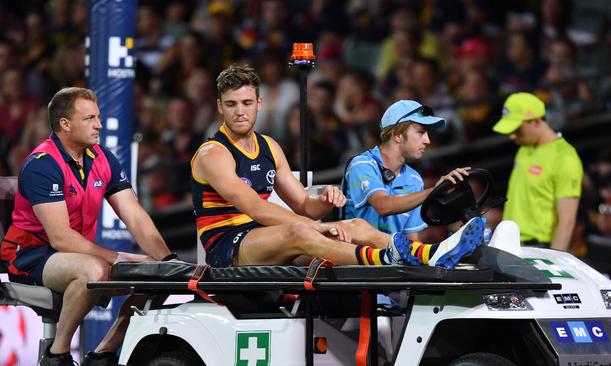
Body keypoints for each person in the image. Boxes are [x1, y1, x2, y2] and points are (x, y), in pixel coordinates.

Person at [190, 64, 485, 270]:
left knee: (356, 226)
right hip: (229, 248)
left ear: (259, 102)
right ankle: (386, 259)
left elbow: (303, 204)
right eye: (231, 104)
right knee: (301, 233)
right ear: (219, 106)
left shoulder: (269, 146)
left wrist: (324, 202)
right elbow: (256, 208)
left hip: (267, 239)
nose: (240, 111)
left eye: (246, 102)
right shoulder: (212, 153)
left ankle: (431, 254)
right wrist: (319, 227)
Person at [0, 87, 175, 366]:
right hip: (30, 256)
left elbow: (133, 214)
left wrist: (167, 260)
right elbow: (61, 239)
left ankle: (103, 353)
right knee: (93, 269)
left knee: (160, 274)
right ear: (65, 125)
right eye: (90, 118)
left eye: (99, 117)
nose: (99, 125)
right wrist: (119, 257)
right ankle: (56, 355)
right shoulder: (42, 165)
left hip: (74, 254)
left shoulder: (102, 157)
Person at [341, 99, 471, 241]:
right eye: (420, 132)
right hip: (356, 260)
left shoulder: (414, 179)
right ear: (397, 135)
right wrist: (434, 190)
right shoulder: (361, 164)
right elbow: (383, 206)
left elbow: (411, 240)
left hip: (391, 259)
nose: (427, 140)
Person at [492, 92, 583, 251]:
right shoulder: (524, 149)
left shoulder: (565, 157)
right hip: (510, 245)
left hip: (539, 250)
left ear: (535, 121)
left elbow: (567, 221)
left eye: (517, 129)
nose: (512, 136)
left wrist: (554, 261)